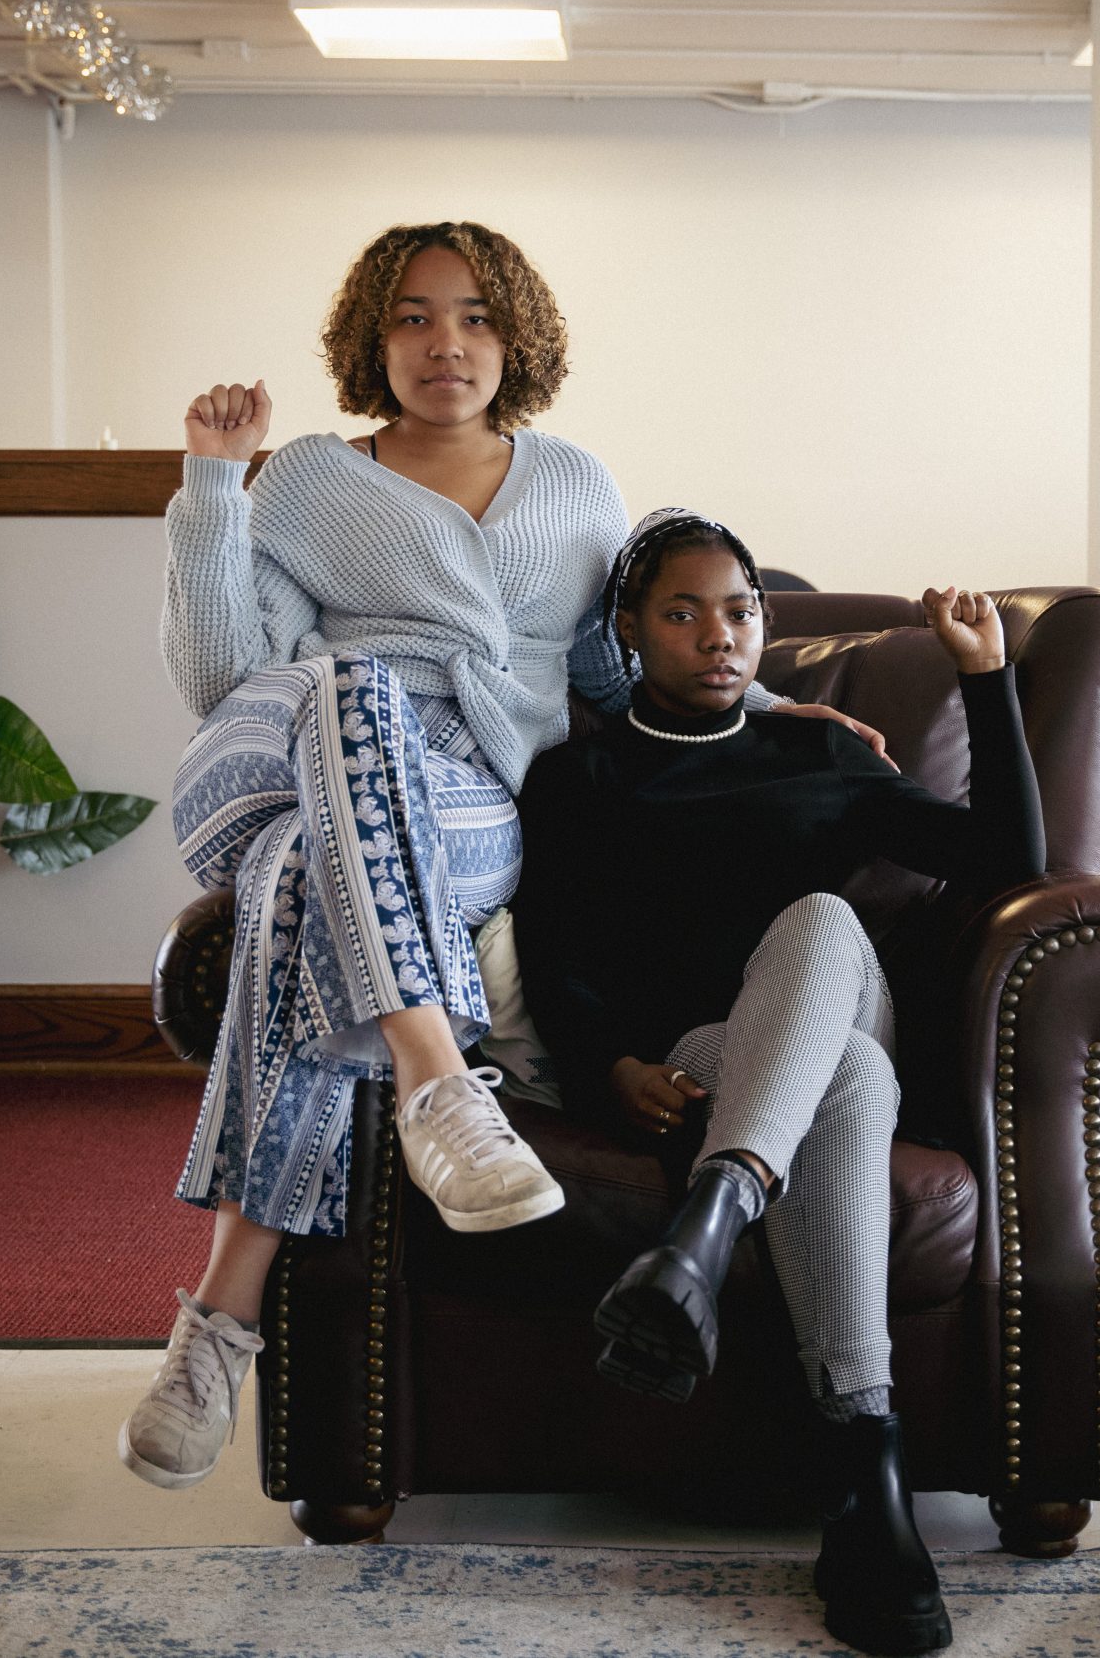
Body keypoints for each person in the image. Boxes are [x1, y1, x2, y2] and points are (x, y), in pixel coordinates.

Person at [124, 224, 884, 1494]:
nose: (445, 344)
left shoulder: (578, 486)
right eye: (414, 318)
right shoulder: (308, 478)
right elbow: (219, 678)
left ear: (514, 337)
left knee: (301, 888)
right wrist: (213, 484)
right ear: (375, 338)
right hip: (272, 762)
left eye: (474, 317)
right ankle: (440, 1086)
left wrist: (766, 712)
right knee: (345, 691)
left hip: (468, 800)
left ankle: (219, 1322)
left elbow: (607, 678)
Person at [511, 510, 1045, 1656]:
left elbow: (1012, 860)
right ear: (630, 631)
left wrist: (984, 679)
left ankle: (704, 1229)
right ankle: (866, 1470)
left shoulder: (822, 752)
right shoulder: (578, 778)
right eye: (683, 611)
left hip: (837, 994)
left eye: (740, 610)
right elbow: (554, 951)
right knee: (844, 1078)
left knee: (819, 919)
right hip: (711, 1062)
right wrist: (610, 1067)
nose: (720, 634)